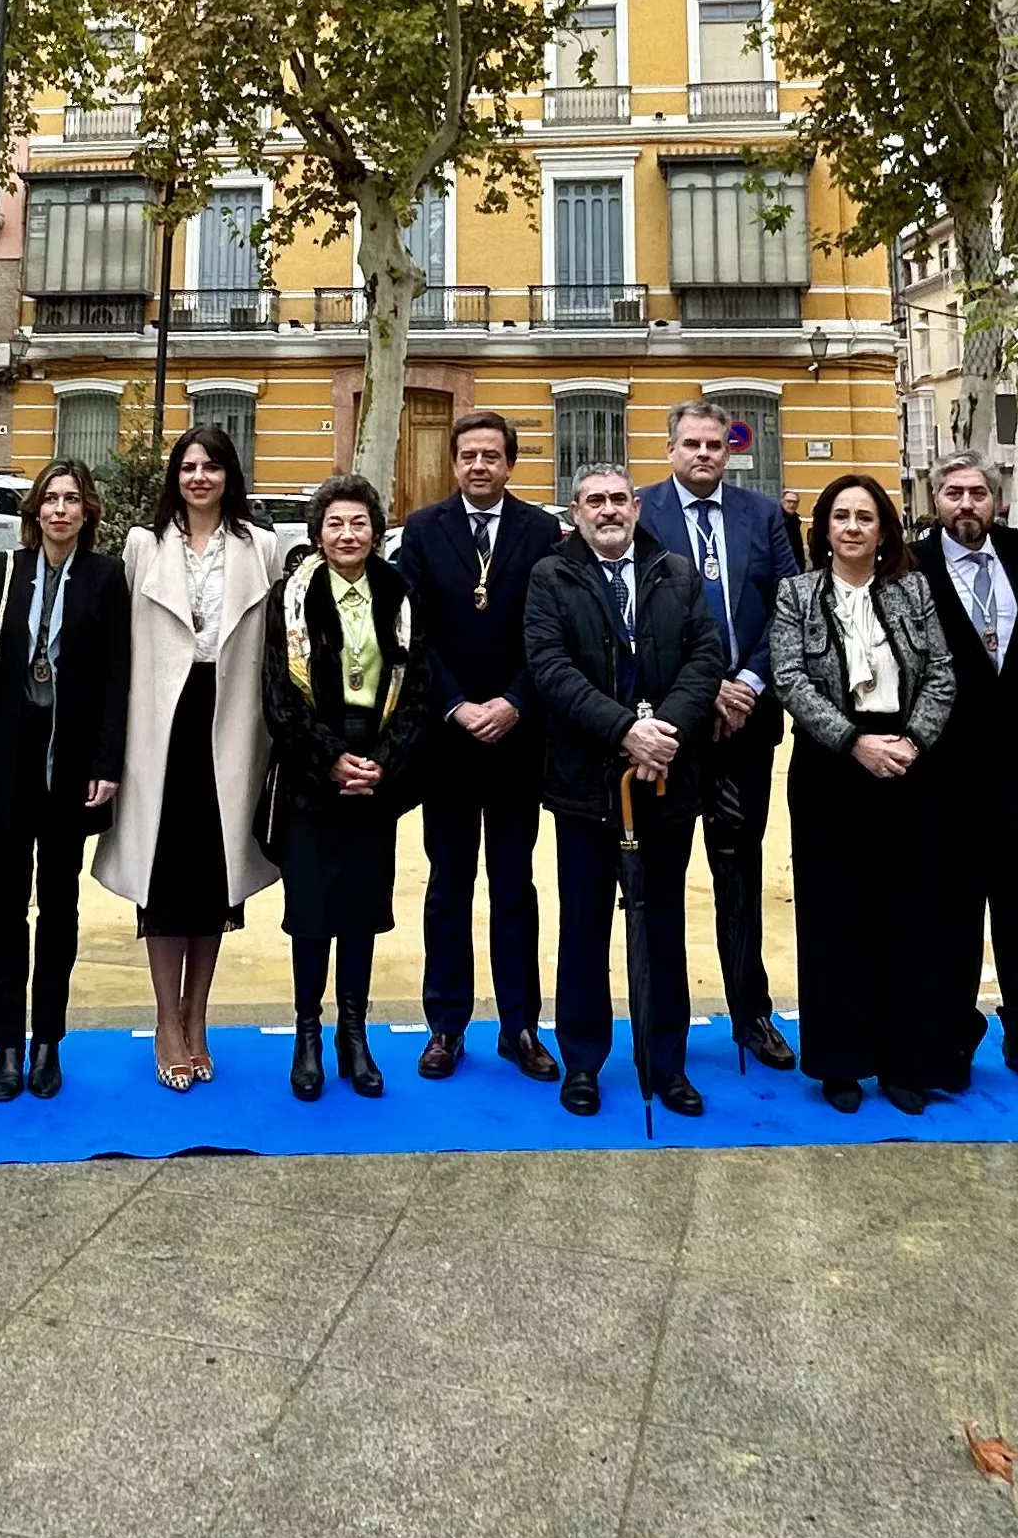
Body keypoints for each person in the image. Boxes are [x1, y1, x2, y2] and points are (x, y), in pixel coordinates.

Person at [524, 456, 728, 1115]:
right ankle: (583, 1061)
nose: (608, 511)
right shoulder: (551, 577)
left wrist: (664, 731)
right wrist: (623, 732)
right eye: (594, 501)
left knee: (662, 925)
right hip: (585, 785)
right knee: (584, 927)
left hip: (668, 778)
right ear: (575, 513)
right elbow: (550, 669)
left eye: (618, 499)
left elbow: (706, 657)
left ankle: (665, 1062)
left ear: (636, 508)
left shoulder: (676, 573)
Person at [764, 473, 966, 1113]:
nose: (852, 527)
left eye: (866, 517)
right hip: (830, 767)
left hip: (908, 764)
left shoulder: (914, 590)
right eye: (841, 516)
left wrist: (913, 741)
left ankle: (906, 1062)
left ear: (884, 530)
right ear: (824, 528)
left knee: (909, 916)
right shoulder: (796, 593)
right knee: (833, 917)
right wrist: (854, 742)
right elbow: (790, 678)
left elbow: (941, 672)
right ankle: (840, 1062)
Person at [97, 427, 282, 1089]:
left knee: (214, 884)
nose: (199, 477)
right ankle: (164, 1025)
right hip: (160, 728)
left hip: (231, 728)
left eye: (212, 466)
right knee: (164, 880)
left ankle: (196, 1017)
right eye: (189, 466)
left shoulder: (261, 547)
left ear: (231, 475)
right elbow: (120, 649)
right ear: (174, 475)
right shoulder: (143, 546)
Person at [0, 458, 128, 1100]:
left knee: (60, 907)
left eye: (72, 499)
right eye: (50, 499)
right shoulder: (5, 573)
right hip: (8, 763)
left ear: (87, 511)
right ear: (34, 512)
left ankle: (47, 1039)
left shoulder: (106, 578)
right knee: (6, 907)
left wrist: (107, 764)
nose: (60, 510)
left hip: (72, 767)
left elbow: (117, 677)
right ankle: (4, 1043)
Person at [398, 409, 562, 1084]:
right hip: (451, 740)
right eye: (468, 455)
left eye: (491, 455)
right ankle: (445, 1023)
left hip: (517, 738)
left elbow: (551, 631)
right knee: (448, 885)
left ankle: (520, 1024)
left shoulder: (541, 531)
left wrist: (515, 702)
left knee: (515, 885)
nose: (478, 465)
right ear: (454, 462)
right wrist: (456, 705)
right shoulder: (423, 531)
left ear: (510, 463)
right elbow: (413, 632)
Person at [648, 401, 803, 1072]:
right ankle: (664, 1029)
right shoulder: (642, 513)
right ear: (671, 447)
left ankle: (751, 1013)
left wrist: (749, 683)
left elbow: (790, 606)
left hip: (748, 723)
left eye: (715, 444)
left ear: (730, 452)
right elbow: (637, 617)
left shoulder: (762, 516)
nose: (704, 454)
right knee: (662, 878)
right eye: (691, 443)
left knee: (738, 872)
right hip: (673, 732)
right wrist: (703, 687)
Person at [267, 475, 433, 1101]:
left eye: (359, 523)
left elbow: (417, 689)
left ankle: (353, 1034)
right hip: (314, 771)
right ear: (318, 533)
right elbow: (277, 697)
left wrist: (382, 763)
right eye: (335, 523)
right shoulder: (290, 597)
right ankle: (306, 1035)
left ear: (376, 531)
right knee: (311, 912)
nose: (347, 534)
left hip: (377, 769)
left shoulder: (400, 592)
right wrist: (331, 759)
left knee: (361, 910)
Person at [918, 453, 1018, 1096]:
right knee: (950, 913)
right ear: (936, 502)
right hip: (942, 775)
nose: (966, 504)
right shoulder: (912, 569)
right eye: (953, 493)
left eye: (978, 492)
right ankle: (953, 1028)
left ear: (997, 500)